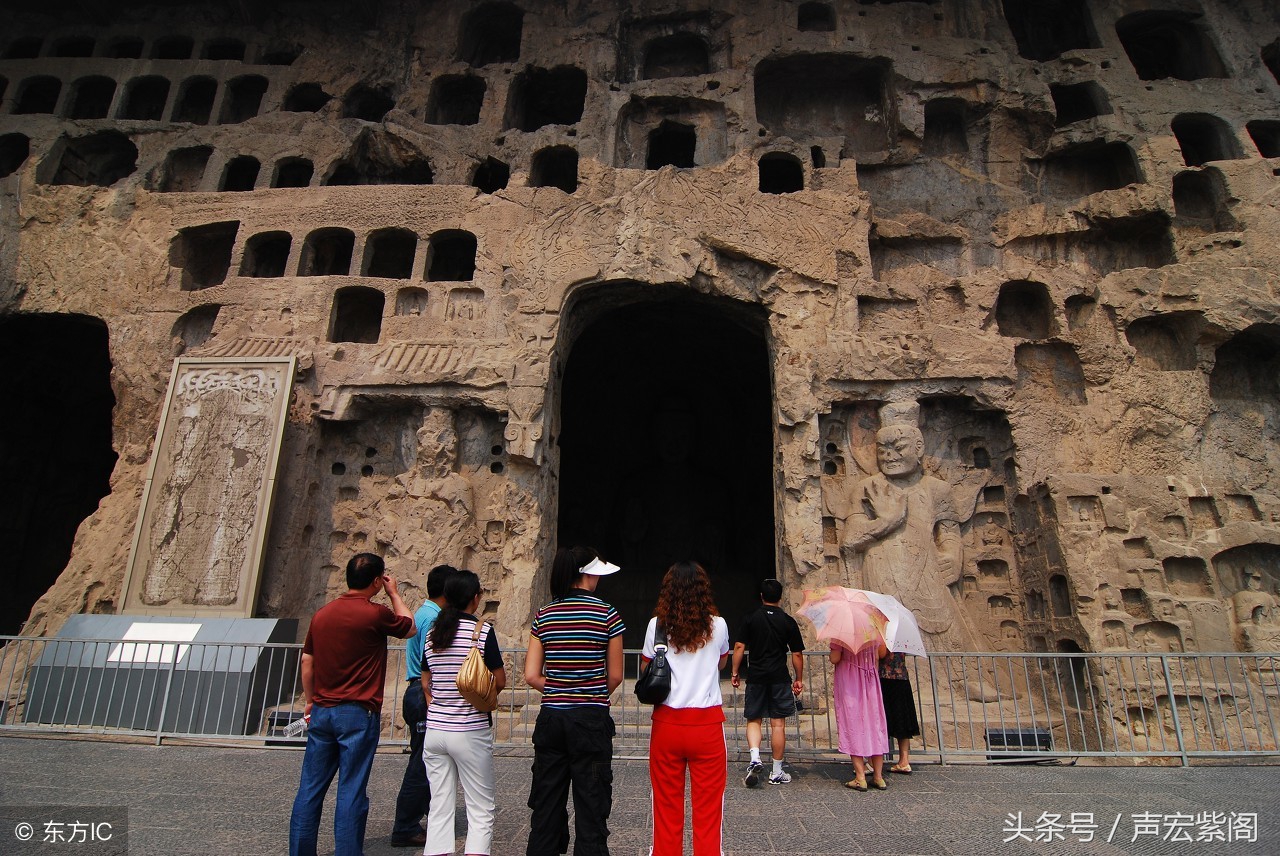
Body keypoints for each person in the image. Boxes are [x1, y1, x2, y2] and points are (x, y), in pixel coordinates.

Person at [289, 553, 416, 856]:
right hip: (357, 712)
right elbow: (410, 627)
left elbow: (307, 660)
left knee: (310, 789)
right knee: (351, 790)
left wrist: (309, 701)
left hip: (322, 709)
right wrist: (394, 593)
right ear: (376, 581)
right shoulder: (374, 613)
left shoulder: (322, 614)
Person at [524, 546, 626, 856]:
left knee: (546, 804)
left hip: (551, 718)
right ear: (587, 574)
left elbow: (531, 674)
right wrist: (589, 693)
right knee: (591, 804)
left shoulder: (545, 614)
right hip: (590, 720)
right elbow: (616, 675)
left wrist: (559, 690)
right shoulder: (607, 613)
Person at [641, 560, 730, 856]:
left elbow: (647, 666)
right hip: (707, 724)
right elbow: (721, 661)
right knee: (708, 812)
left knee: (665, 808)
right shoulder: (718, 625)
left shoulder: (657, 626)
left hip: (667, 722)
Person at [421, 569, 506, 856]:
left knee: (439, 806)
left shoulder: (434, 632)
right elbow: (500, 679)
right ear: (475, 597)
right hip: (469, 727)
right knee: (480, 808)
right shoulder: (480, 631)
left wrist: (436, 702)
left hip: (435, 730)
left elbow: (425, 678)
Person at [390, 564, 456, 847]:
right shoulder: (433, 618)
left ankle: (430, 816)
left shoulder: (425, 612)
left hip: (419, 690)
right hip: (424, 690)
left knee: (429, 761)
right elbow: (434, 662)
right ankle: (405, 826)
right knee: (421, 763)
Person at [730, 577, 804, 788]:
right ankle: (777, 771)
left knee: (754, 719)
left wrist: (735, 671)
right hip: (779, 677)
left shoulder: (751, 618)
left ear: (761, 596)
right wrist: (799, 679)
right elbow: (797, 653)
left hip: (757, 675)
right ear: (780, 597)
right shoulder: (788, 621)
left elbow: (738, 646)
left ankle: (755, 757)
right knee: (778, 724)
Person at [830, 640, 890, 792]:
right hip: (870, 679)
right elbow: (881, 653)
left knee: (853, 723)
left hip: (851, 680)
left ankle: (860, 777)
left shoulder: (841, 634)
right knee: (874, 725)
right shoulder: (874, 629)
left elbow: (834, 658)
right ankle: (878, 776)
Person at [879, 650, 920, 775]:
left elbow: (880, 655)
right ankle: (904, 760)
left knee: (881, 721)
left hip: (885, 679)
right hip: (902, 678)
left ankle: (874, 761)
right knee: (902, 720)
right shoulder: (901, 639)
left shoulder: (884, 637)